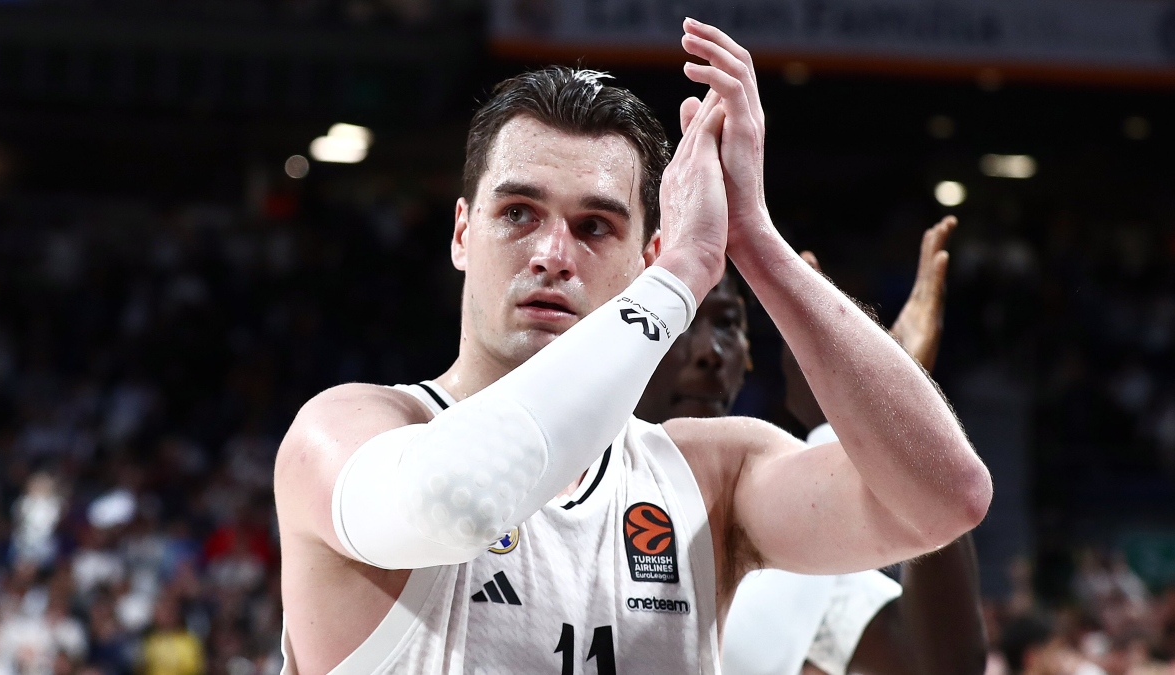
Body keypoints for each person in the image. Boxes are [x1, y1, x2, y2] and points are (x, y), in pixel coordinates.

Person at [274, 19, 992, 674]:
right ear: (463, 232)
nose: (553, 255)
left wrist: (754, 240)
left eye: (595, 227)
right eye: (519, 213)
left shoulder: (708, 479)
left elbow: (946, 500)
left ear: (645, 255)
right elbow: (456, 503)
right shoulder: (342, 434)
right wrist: (682, 275)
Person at [635, 217, 990, 675]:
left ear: (748, 355)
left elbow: (944, 665)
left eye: (725, 323)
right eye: (679, 321)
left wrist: (891, 411)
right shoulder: (567, 472)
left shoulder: (791, 508)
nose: (708, 352)